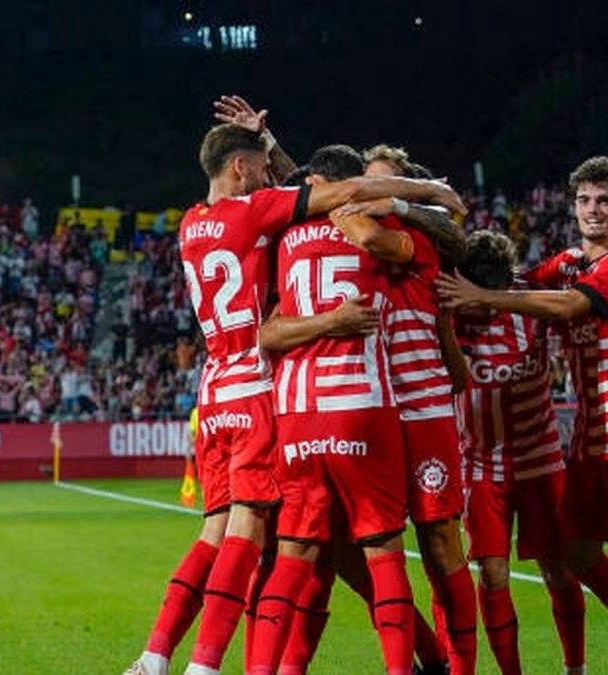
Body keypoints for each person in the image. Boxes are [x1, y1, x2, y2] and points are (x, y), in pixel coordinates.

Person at [125, 99, 464, 675]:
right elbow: (328, 194)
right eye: (258, 169)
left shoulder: (192, 224)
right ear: (240, 169)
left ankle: (160, 654)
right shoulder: (270, 215)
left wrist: (272, 145)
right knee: (321, 547)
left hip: (227, 394)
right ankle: (207, 666)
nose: (265, 179)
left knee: (264, 544)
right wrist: (426, 195)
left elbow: (305, 191)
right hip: (286, 393)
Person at [436, 156, 608, 674]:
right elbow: (520, 280)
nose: (593, 210)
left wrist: (483, 295)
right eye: (584, 200)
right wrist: (467, 282)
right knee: (575, 553)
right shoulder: (570, 262)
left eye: (604, 201)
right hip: (588, 441)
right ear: (573, 207)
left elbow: (568, 307)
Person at [250, 144, 413, 675]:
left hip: (298, 414)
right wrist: (429, 195)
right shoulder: (375, 227)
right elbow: (444, 238)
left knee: (294, 553)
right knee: (384, 550)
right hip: (363, 402)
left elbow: (268, 332)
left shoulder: (285, 239)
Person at [335, 144, 476, 674]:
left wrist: (408, 201)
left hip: (422, 410)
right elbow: (313, 186)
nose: (368, 192)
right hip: (369, 412)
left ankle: (458, 666)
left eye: (382, 186)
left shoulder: (412, 240)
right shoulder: (346, 244)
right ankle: (429, 658)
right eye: (363, 183)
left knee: (441, 548)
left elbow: (342, 206)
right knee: (358, 550)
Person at [451, 230, 587, 674]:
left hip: (540, 459)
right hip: (480, 465)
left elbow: (584, 303)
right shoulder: (449, 312)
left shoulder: (530, 304)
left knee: (558, 572)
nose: (482, 308)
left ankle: (575, 668)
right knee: (492, 577)